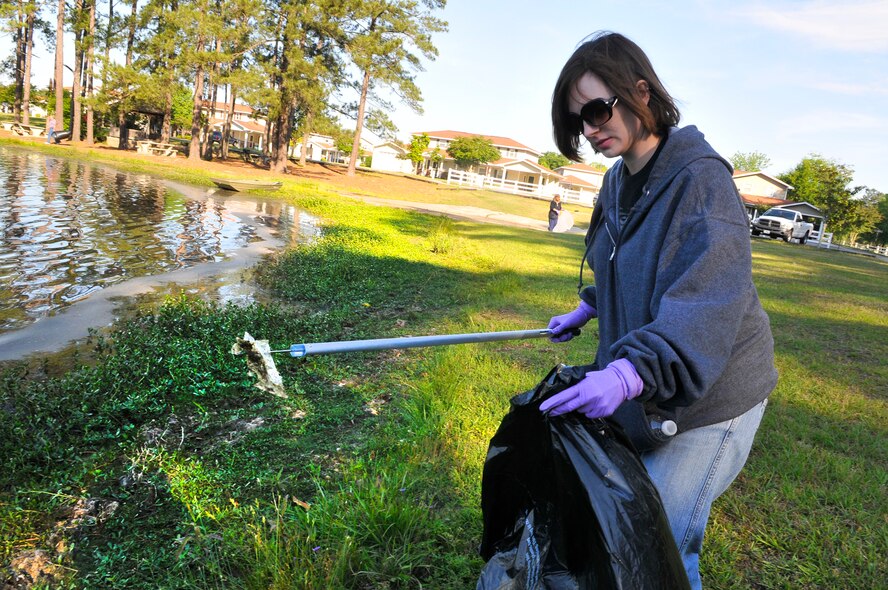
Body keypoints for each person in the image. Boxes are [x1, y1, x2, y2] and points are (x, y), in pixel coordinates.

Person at [541, 31, 777, 589]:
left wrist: (626, 373)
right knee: (627, 527)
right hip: (656, 384)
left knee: (660, 542)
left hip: (714, 395)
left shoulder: (700, 180)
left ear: (640, 92)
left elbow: (705, 301)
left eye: (597, 110)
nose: (591, 129)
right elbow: (619, 262)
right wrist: (589, 306)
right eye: (579, 121)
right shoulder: (616, 182)